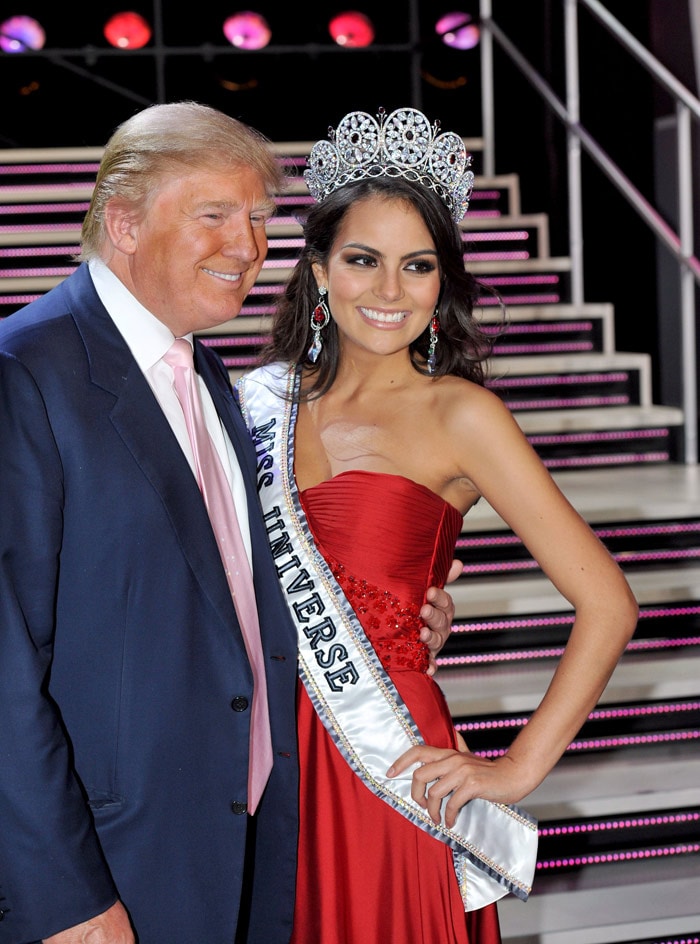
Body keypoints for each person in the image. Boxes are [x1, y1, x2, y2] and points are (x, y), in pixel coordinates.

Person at [0, 101, 457, 944]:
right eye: (214, 215)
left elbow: (227, 588)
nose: (248, 248)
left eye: (256, 219)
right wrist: (62, 899)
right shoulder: (26, 372)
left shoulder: (210, 377)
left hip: (242, 843)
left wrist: (388, 603)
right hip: (110, 868)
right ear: (123, 221)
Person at [235, 106, 639, 943]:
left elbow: (609, 605)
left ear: (441, 281)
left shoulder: (463, 416)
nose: (389, 291)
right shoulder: (255, 403)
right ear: (317, 270)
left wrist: (518, 768)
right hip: (260, 758)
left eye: (416, 266)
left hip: (387, 759)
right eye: (362, 260)